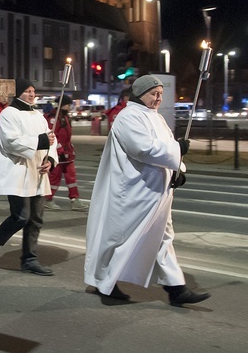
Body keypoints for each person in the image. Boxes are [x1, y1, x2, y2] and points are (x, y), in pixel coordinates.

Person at [84, 75, 211, 306]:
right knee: (123, 239)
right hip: (135, 192)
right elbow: (142, 149)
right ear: (140, 93)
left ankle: (176, 288)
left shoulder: (157, 118)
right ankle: (104, 282)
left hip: (157, 191)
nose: (159, 97)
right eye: (154, 93)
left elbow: (165, 151)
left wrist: (177, 171)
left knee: (163, 237)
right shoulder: (128, 117)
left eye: (161, 93)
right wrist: (176, 149)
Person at [0, 78, 58, 276]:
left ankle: (29, 259)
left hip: (38, 171)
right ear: (18, 93)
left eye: (34, 90)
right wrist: (41, 141)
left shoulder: (38, 115)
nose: (32, 94)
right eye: (27, 91)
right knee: (21, 216)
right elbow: (11, 142)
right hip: (19, 172)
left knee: (36, 218)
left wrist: (50, 158)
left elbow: (52, 139)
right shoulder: (9, 114)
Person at [44, 95, 88, 211]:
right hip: (58, 153)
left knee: (71, 177)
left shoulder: (65, 117)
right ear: (62, 105)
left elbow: (66, 136)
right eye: (68, 105)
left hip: (67, 152)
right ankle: (48, 199)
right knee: (55, 177)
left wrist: (70, 148)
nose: (70, 107)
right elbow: (53, 135)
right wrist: (59, 150)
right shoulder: (54, 118)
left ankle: (75, 200)